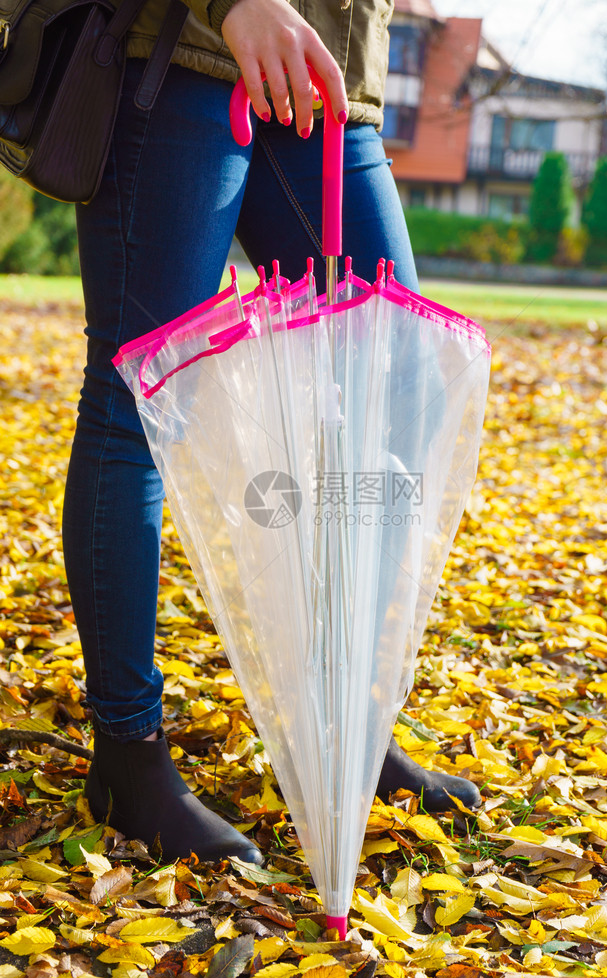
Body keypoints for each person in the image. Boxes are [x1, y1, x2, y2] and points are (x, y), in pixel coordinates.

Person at [63, 0, 481, 865]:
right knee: (132, 407)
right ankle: (128, 756)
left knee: (397, 384)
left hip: (334, 82)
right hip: (187, 55)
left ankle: (345, 730)